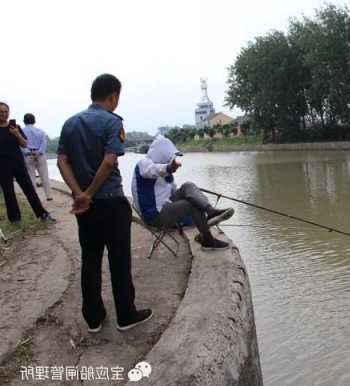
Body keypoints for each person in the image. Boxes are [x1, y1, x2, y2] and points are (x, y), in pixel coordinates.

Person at [57, 74, 152, 333]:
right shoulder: (112, 122)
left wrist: (80, 194)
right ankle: (126, 315)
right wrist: (89, 193)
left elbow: (61, 161)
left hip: (85, 209)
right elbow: (110, 161)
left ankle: (94, 318)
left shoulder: (70, 124)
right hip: (111, 202)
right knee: (119, 260)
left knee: (90, 260)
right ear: (113, 96)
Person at [131, 135, 234, 250]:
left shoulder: (165, 172)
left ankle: (210, 211)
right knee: (189, 205)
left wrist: (194, 196)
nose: (172, 159)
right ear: (161, 154)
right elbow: (153, 170)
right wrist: (168, 168)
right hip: (154, 215)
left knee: (188, 186)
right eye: (170, 157)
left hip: (166, 206)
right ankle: (208, 240)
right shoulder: (144, 164)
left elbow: (175, 191)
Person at [0, 102, 55, 223]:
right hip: (2, 166)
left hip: (18, 163)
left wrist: (16, 134)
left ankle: (42, 214)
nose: (4, 114)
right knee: (9, 193)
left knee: (29, 189)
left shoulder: (16, 127)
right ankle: (15, 219)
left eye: (6, 111)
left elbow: (25, 144)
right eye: (1, 112)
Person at [21, 113, 53, 201]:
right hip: (40, 155)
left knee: (31, 177)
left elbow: (21, 145)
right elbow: (44, 142)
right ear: (34, 121)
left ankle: (34, 197)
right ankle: (49, 196)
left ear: (24, 121)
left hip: (28, 156)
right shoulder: (40, 131)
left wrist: (28, 152)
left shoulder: (21, 132)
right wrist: (39, 152)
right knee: (44, 176)